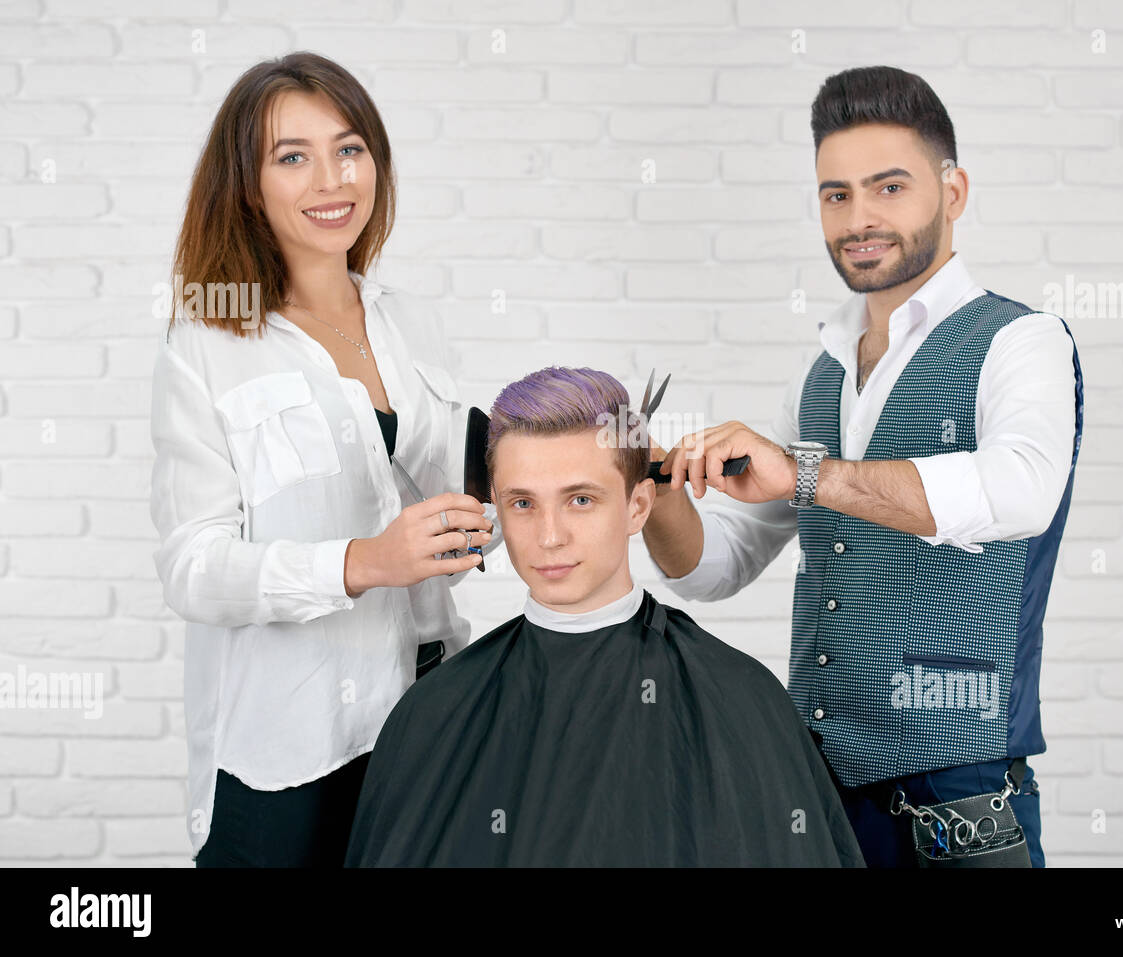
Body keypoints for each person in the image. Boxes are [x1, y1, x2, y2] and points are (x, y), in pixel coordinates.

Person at [642, 66, 1084, 868]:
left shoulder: (1023, 341)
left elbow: (1021, 491)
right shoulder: (818, 374)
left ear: (953, 191)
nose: (859, 218)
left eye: (888, 187)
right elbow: (714, 567)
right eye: (836, 194)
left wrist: (807, 475)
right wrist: (658, 497)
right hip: (814, 788)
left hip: (963, 792)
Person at [148, 52, 500, 867]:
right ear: (246, 183)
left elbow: (457, 497)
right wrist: (361, 562)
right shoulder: (206, 342)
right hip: (286, 754)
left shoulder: (410, 320)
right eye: (292, 156)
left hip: (424, 730)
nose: (331, 179)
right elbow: (192, 567)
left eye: (349, 148)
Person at [344, 367, 866, 867]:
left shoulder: (740, 698)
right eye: (523, 503)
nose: (550, 536)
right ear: (496, 509)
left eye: (580, 500)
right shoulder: (435, 710)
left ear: (638, 506)